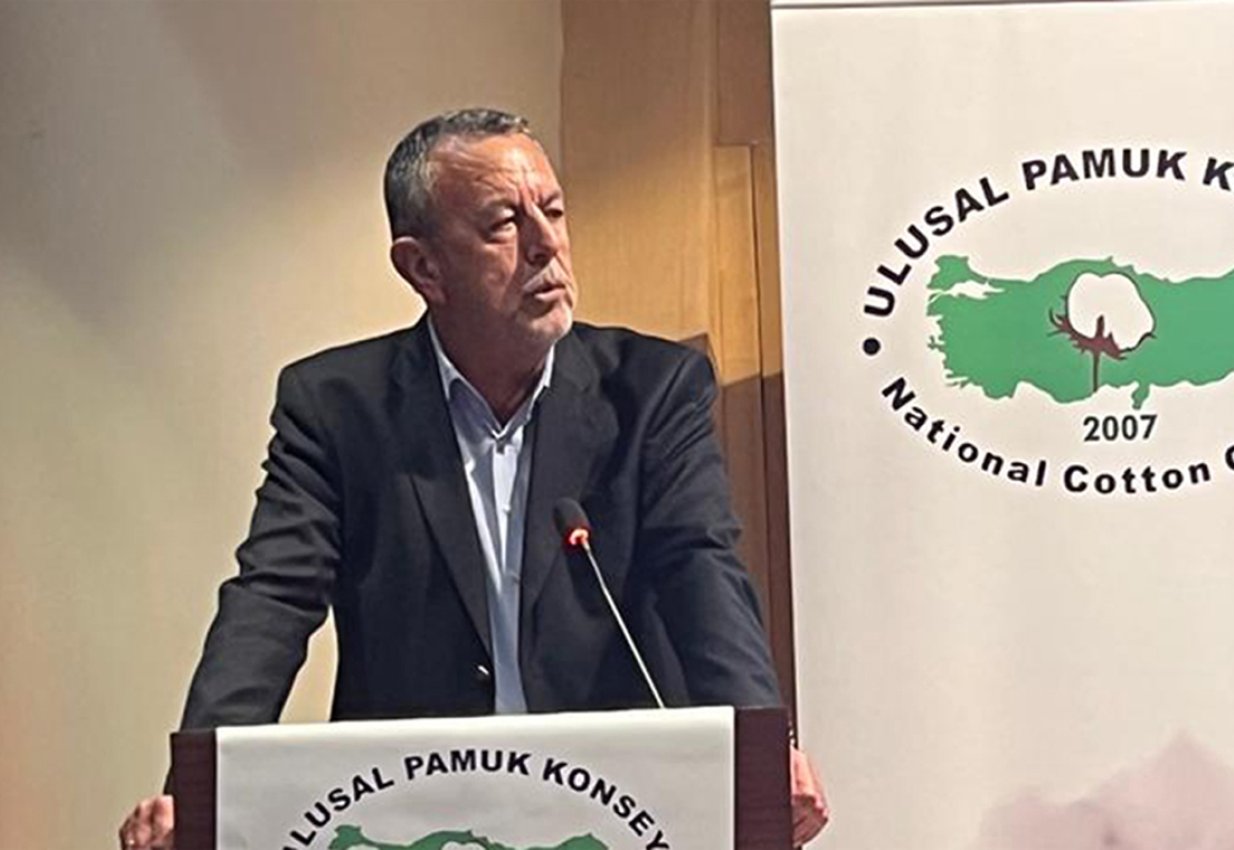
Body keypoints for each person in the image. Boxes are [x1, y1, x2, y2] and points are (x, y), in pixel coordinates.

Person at [118, 108, 829, 849]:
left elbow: (700, 568)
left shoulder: (652, 389)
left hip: (612, 804)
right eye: (504, 224)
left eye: (553, 211)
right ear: (423, 268)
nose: (546, 244)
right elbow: (272, 595)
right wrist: (198, 793)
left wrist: (763, 756)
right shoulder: (335, 407)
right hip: (418, 810)